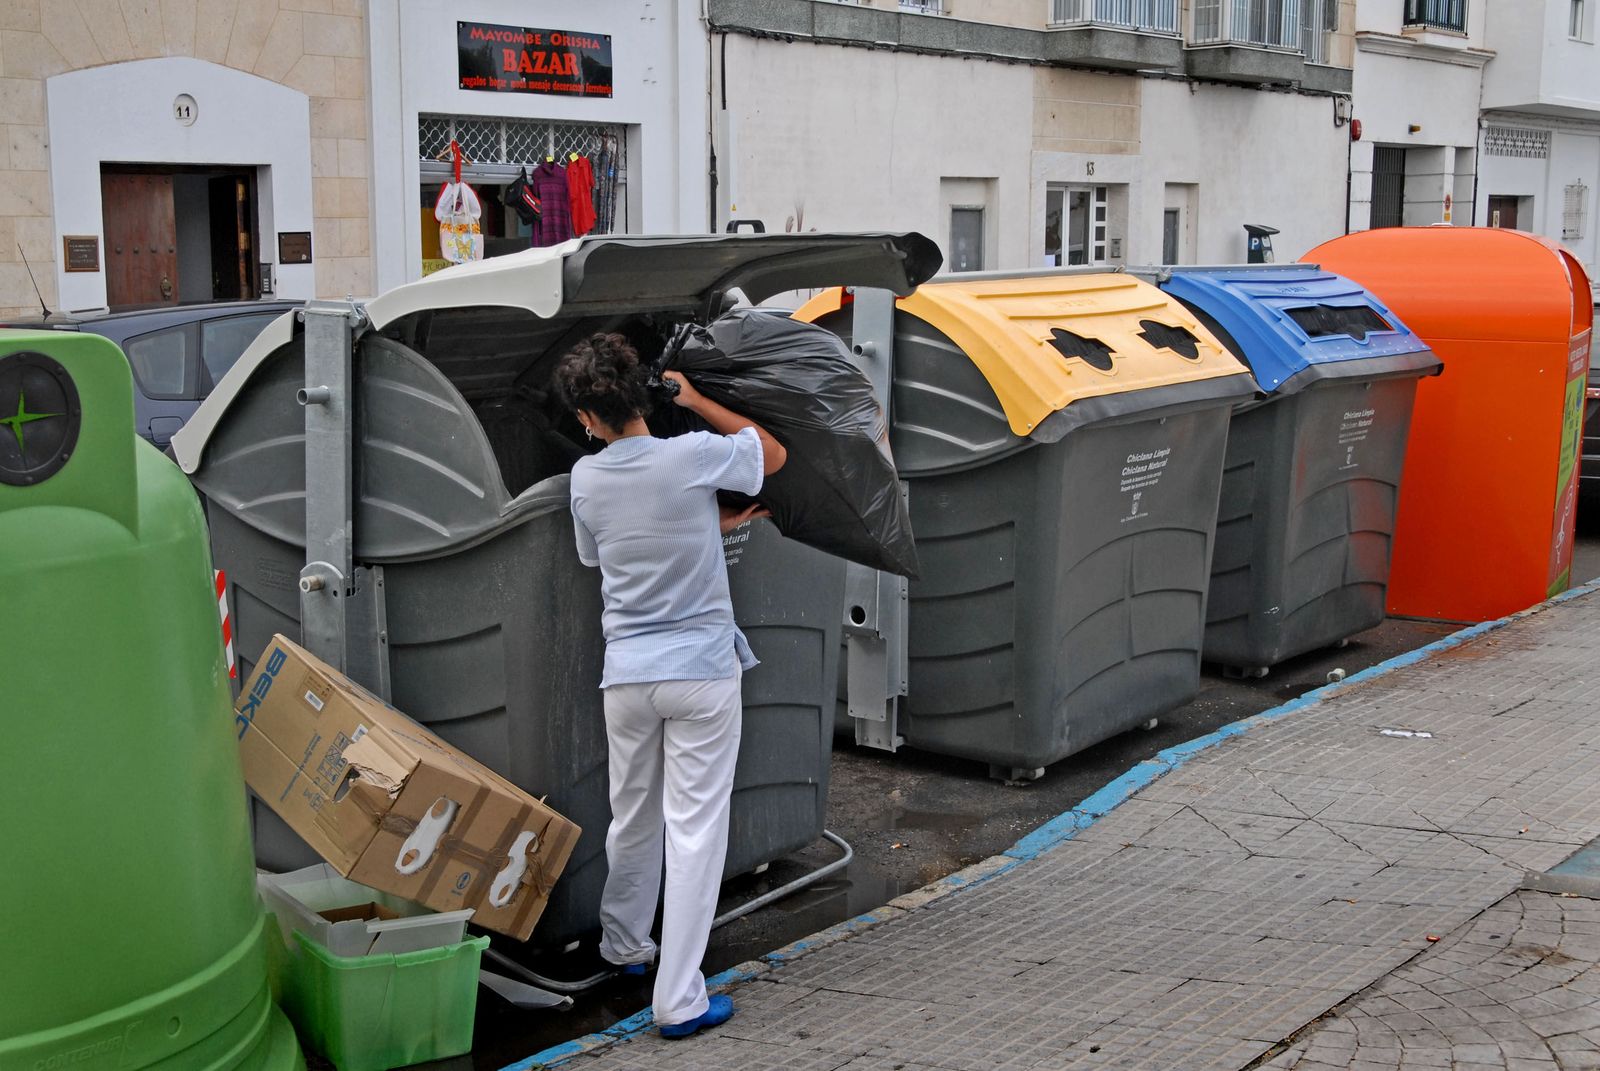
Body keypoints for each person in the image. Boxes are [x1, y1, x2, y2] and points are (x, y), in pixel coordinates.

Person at [554, 332, 787, 1039]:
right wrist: (696, 398)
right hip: (701, 672)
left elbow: (602, 551)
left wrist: (697, 522)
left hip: (627, 675)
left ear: (589, 418)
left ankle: (626, 947)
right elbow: (770, 456)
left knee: (633, 815)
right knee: (694, 830)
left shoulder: (583, 479)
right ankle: (678, 997)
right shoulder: (690, 455)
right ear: (642, 395)